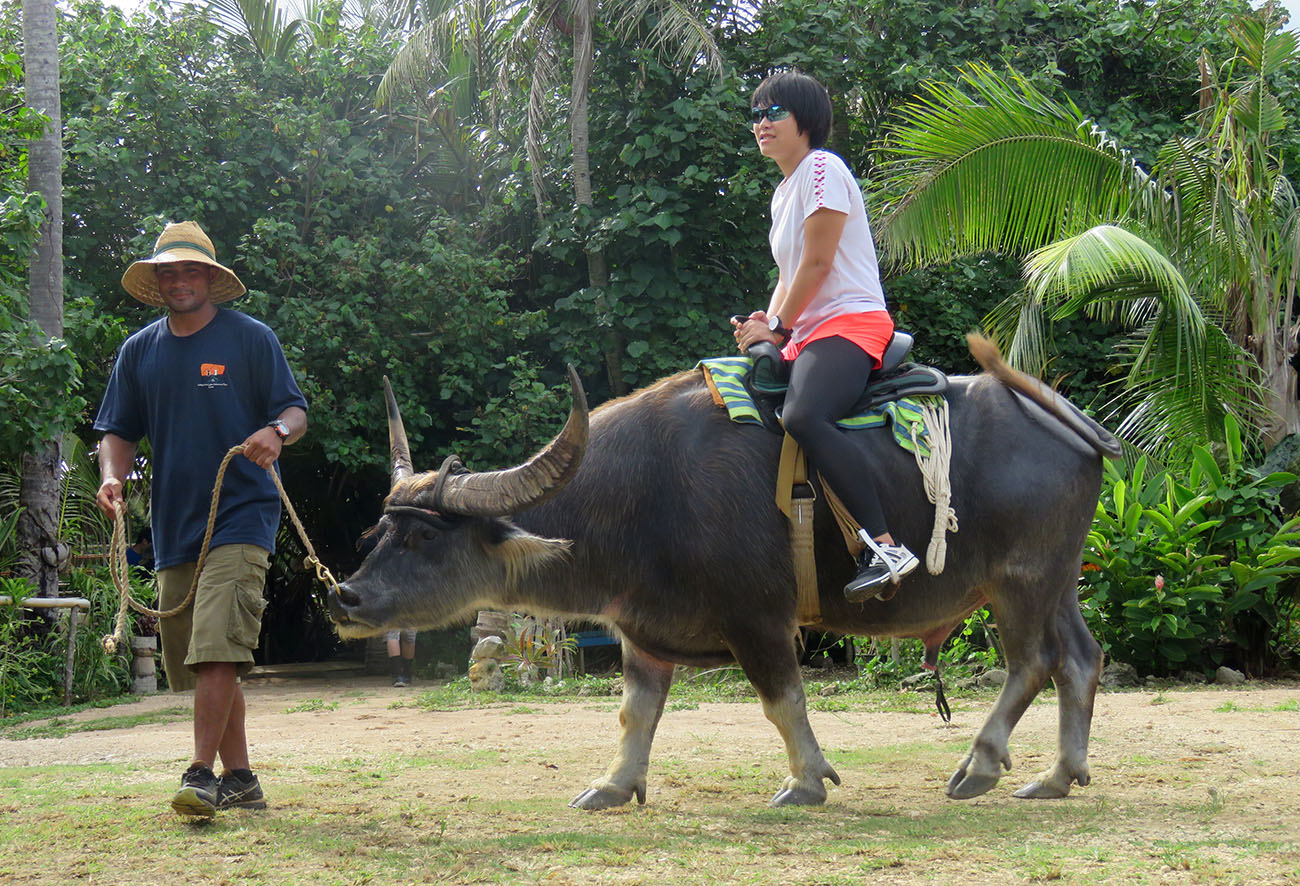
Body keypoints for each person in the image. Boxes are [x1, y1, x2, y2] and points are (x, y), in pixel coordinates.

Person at [94, 221, 308, 817]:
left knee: (217, 647)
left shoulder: (251, 339)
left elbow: (294, 411)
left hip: (243, 511)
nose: (180, 280)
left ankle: (199, 775)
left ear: (211, 278)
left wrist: (277, 432)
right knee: (199, 658)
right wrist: (112, 475)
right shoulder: (139, 351)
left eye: (191, 270)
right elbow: (116, 432)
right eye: (169, 272)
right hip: (174, 523)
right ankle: (241, 778)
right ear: (157, 282)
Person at [731, 71, 918, 603]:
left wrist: (780, 327)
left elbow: (818, 263)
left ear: (805, 121)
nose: (761, 124)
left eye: (774, 113)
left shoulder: (821, 168)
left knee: (803, 416)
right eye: (757, 115)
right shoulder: (783, 192)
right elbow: (790, 277)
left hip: (849, 323)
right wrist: (760, 326)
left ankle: (884, 546)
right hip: (809, 332)